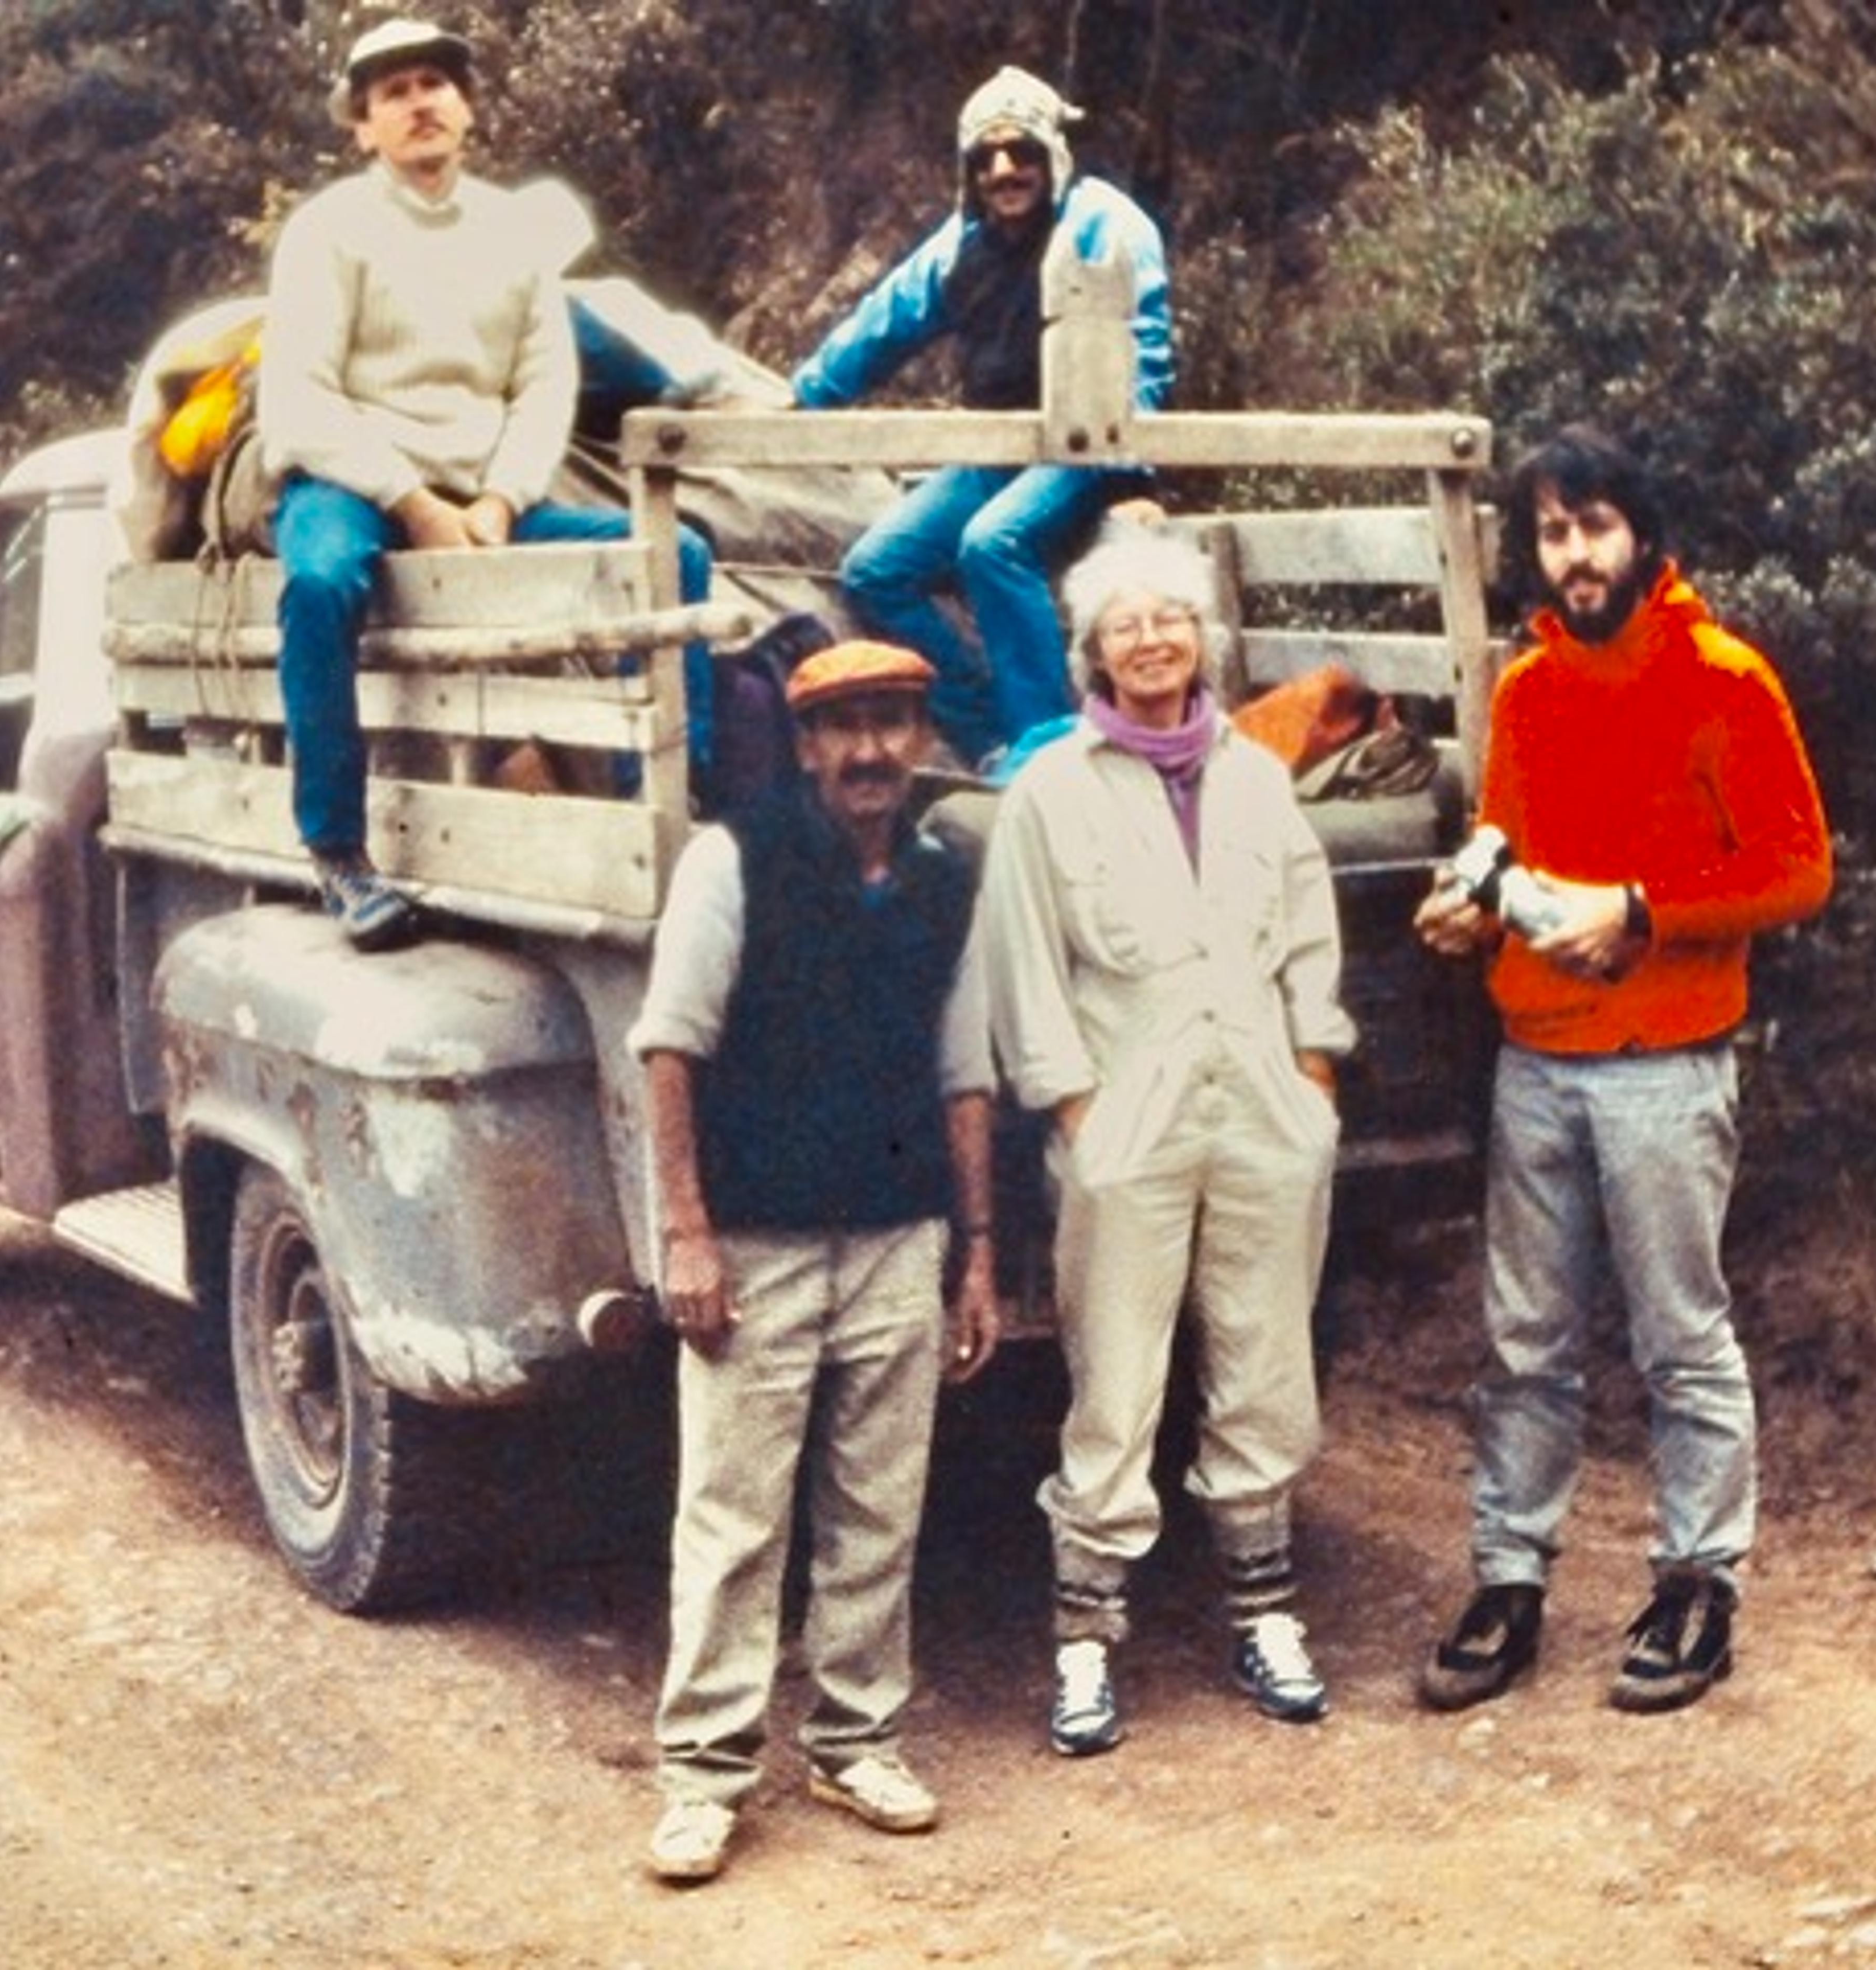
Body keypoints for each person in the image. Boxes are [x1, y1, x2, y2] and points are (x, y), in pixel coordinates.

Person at [1413, 425, 1833, 1716]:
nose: (1574, 553)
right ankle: (1509, 1575)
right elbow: (1506, 843)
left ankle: (1699, 1583)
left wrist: (1644, 910)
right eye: (1551, 531)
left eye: (1594, 525)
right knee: (1524, 1341)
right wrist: (1467, 907)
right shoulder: (1530, 687)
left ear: (1641, 534)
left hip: (1666, 1063)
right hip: (1535, 1061)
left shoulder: (1724, 678)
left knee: (1679, 1339)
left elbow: (1796, 867)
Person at [629, 639, 1000, 1884]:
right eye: (841, 728)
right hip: (759, 1244)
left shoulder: (946, 877)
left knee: (878, 1508)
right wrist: (686, 1230)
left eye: (892, 723)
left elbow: (964, 1072)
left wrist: (979, 1249)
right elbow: (669, 1049)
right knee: (734, 1516)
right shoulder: (733, 862)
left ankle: (856, 1738)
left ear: (921, 737)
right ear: (801, 747)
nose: (870, 751)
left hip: (898, 1237)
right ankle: (705, 1772)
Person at [980, 528, 1354, 1756]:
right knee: (1117, 1380)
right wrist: (1076, 1112)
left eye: (1172, 618)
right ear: (1092, 650)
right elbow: (1024, 965)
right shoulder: (1049, 791)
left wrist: (1313, 1071)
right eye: (1126, 623)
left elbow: (1307, 929)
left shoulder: (1258, 778)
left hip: (1259, 1108)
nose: (1152, 639)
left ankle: (1265, 1615)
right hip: (1126, 1122)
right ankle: (1087, 1643)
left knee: (1264, 1358)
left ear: (1204, 637)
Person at [257, 16, 713, 949]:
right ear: (363, 126)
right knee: (318, 583)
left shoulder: (510, 234)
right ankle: (339, 852)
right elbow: (301, 398)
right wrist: (413, 505)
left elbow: (544, 384)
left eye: (435, 84)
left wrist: (500, 499)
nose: (420, 103)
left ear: (467, 108)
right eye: (394, 93)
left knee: (677, 559)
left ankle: (670, 805)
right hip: (356, 486)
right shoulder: (327, 232)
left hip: (487, 499)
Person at [790, 65, 1173, 771]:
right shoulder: (963, 243)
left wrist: (1134, 470)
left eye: (1021, 150)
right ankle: (999, 736)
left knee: (991, 544)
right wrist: (805, 395)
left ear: (1053, 153)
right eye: (986, 157)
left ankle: (1054, 753)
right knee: (876, 570)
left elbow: (1146, 349)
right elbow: (888, 319)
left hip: (1082, 448)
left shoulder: (1107, 224)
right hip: (993, 451)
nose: (1005, 169)